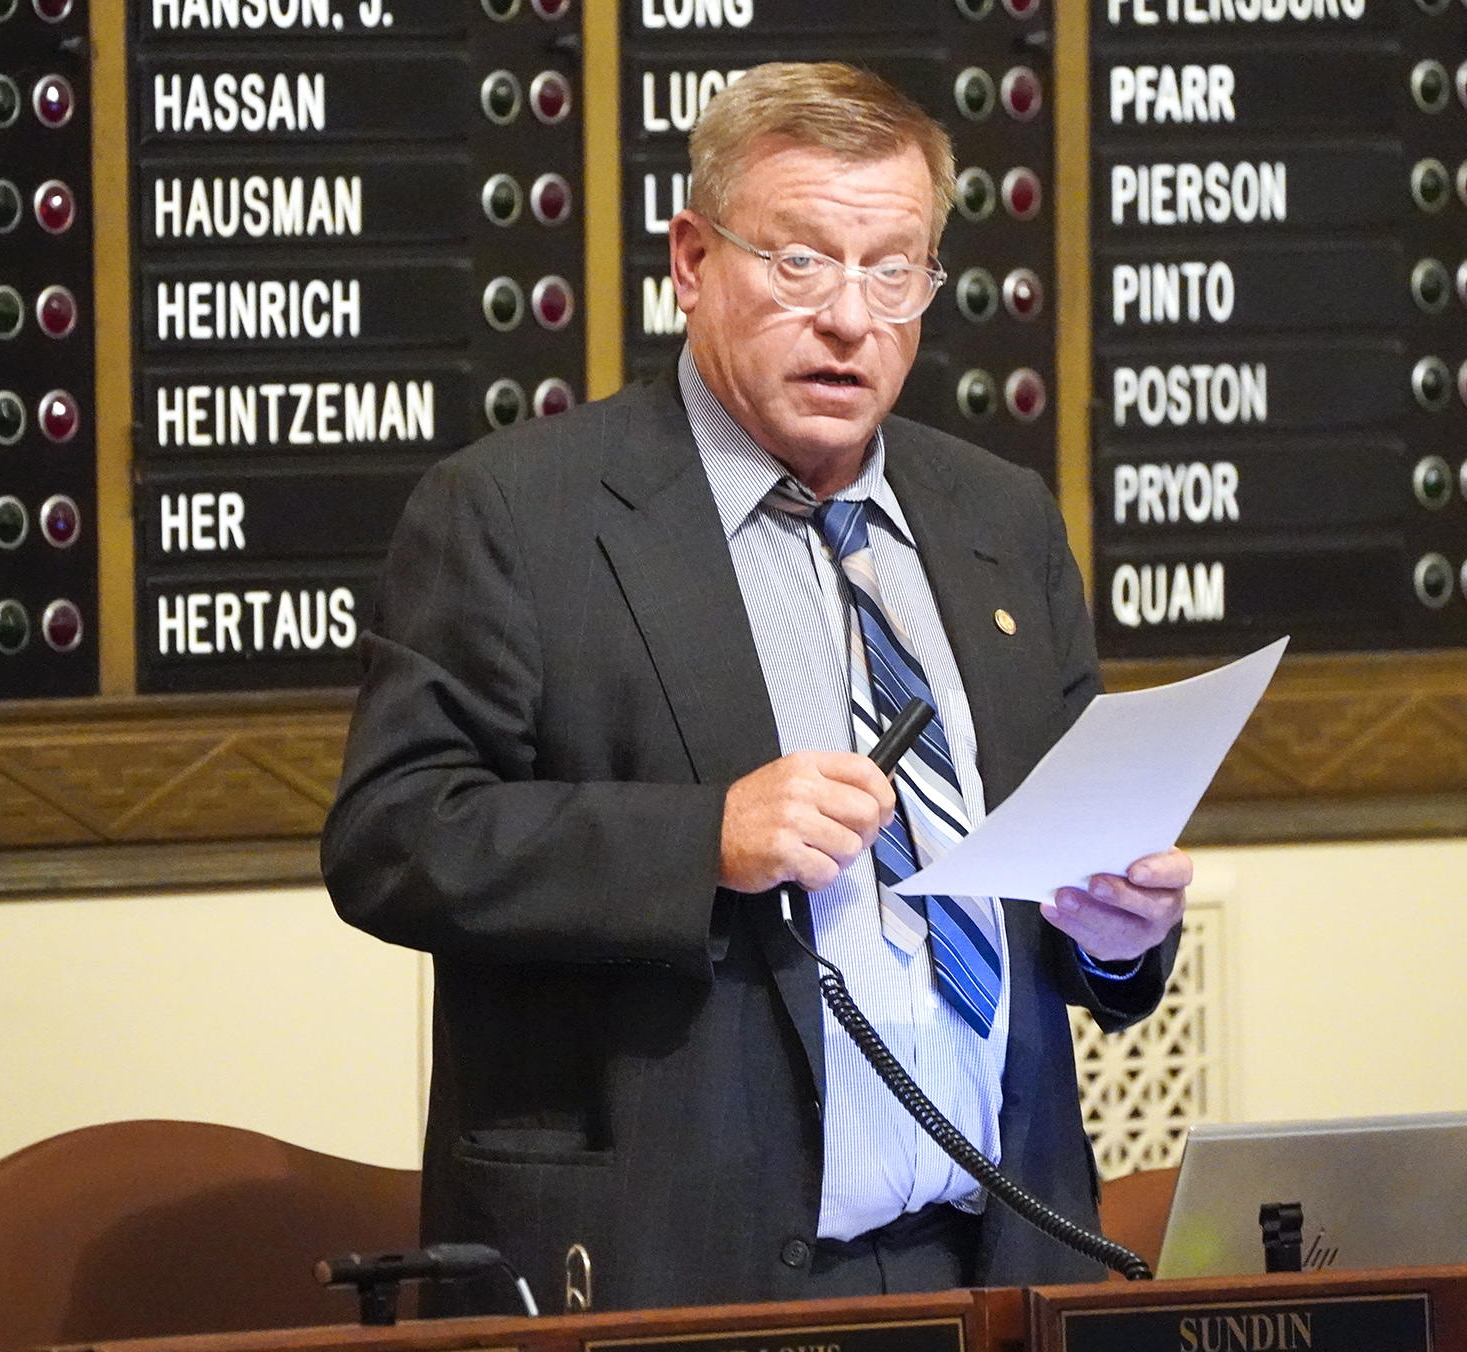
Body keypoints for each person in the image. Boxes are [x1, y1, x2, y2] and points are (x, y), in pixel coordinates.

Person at [322, 62, 1188, 1312]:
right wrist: (701, 839)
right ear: (690, 259)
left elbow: (1047, 884)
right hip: (673, 1260)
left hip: (996, 1255)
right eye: (801, 264)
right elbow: (391, 837)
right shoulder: (517, 513)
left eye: (894, 270)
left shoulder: (999, 519)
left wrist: (1114, 934)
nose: (850, 317)